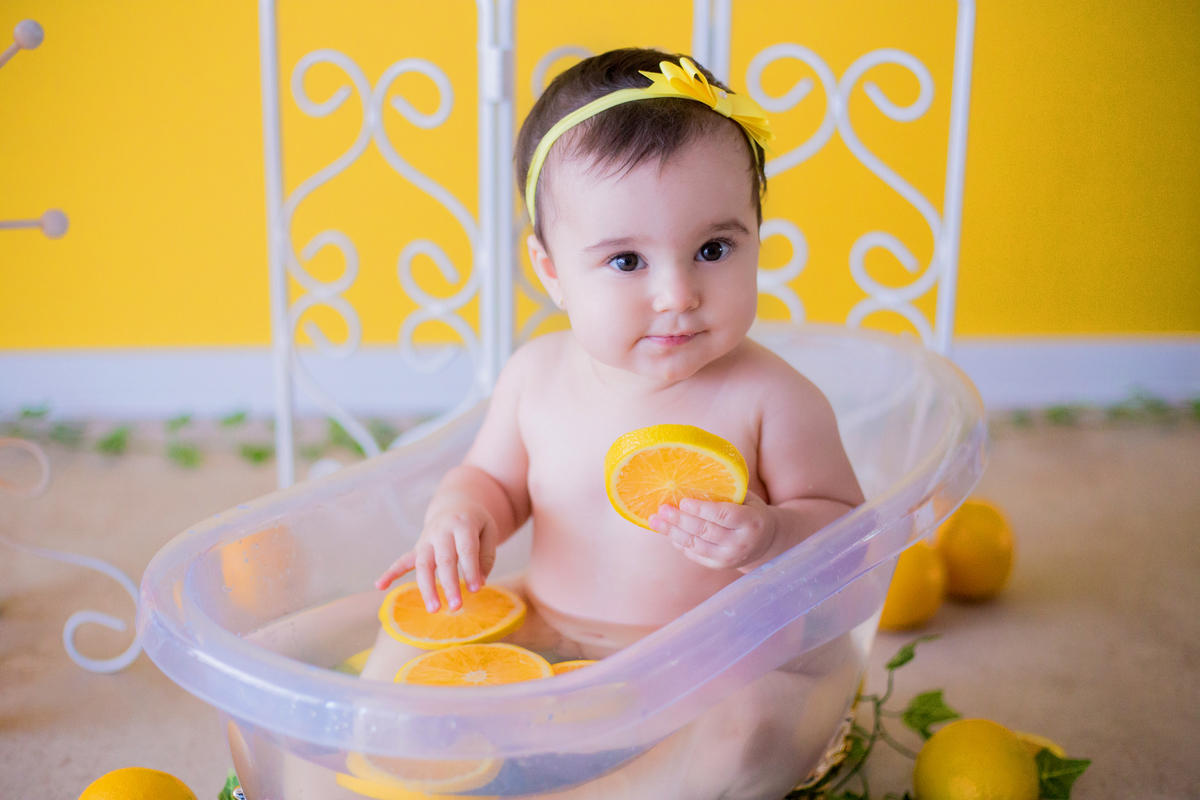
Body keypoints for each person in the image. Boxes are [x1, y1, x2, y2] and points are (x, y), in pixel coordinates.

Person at [373, 48, 866, 799]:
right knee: (400, 631)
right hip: (545, 635)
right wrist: (461, 514)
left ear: (756, 238)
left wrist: (771, 534)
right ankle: (386, 769)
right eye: (627, 262)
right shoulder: (535, 376)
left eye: (713, 249)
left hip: (706, 669)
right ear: (550, 271)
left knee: (758, 722)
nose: (677, 293)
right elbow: (493, 482)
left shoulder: (774, 398)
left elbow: (847, 534)